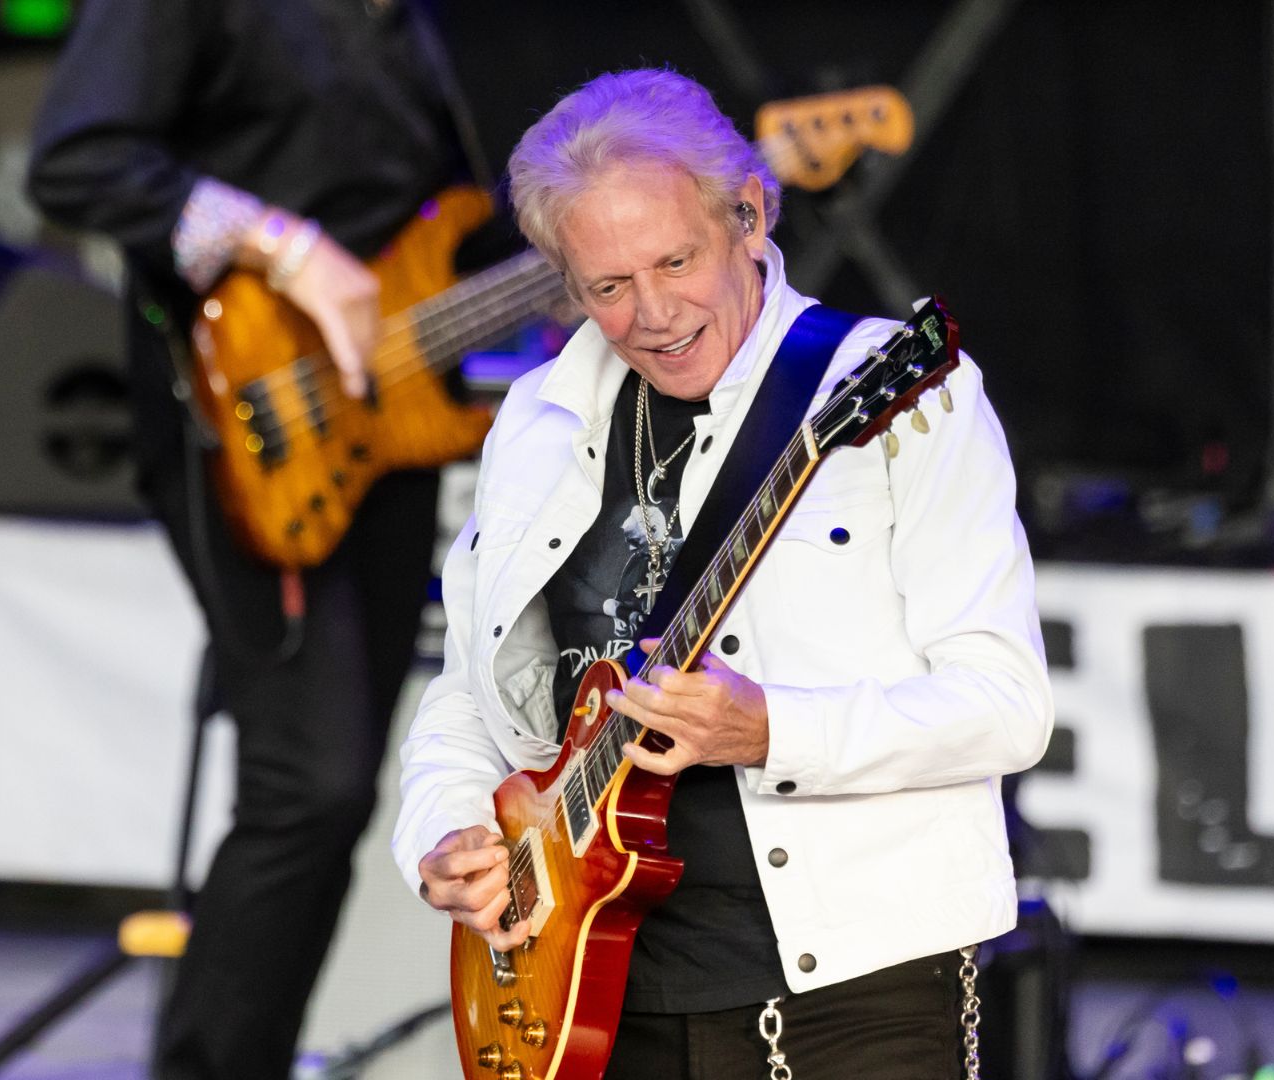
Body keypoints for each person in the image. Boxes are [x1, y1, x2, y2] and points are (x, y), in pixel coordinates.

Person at [392, 68, 1055, 1077]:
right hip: (599, 990)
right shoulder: (534, 421)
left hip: (858, 996)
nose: (654, 312)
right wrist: (446, 835)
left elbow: (1007, 706)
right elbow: (466, 697)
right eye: (608, 287)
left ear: (748, 214)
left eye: (677, 260)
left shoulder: (896, 392)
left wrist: (770, 729)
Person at [25, 1, 500, 1075]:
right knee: (310, 783)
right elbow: (78, 158)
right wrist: (282, 246)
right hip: (245, 415)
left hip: (387, 418)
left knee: (335, 793)